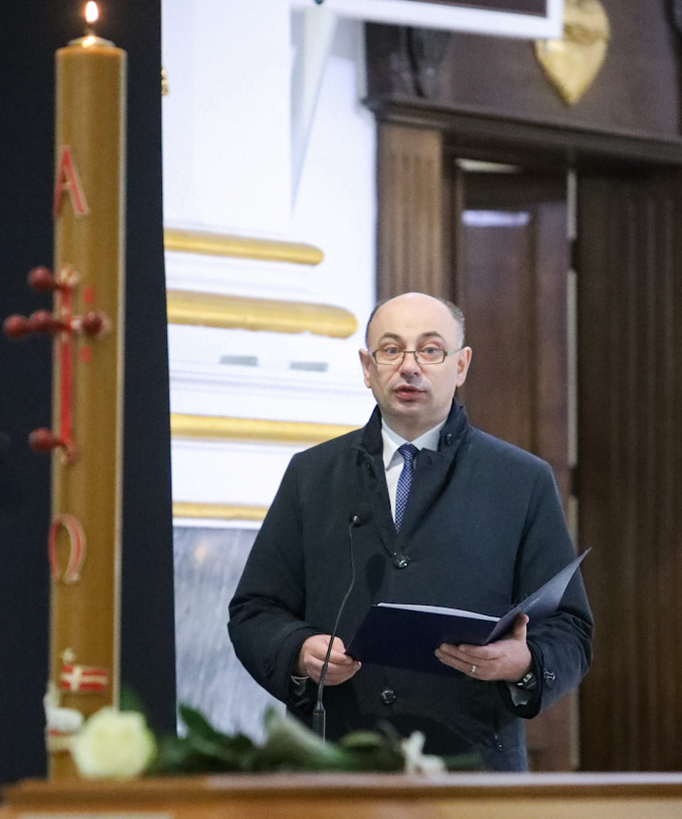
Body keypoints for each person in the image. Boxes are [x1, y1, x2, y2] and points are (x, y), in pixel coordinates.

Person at [228, 292, 592, 770]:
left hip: (470, 764)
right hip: (334, 761)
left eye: (431, 350)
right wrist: (298, 651)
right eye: (391, 350)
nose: (410, 367)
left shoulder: (521, 480)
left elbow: (570, 628)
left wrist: (523, 663)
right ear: (367, 367)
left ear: (461, 365)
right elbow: (255, 610)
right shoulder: (311, 475)